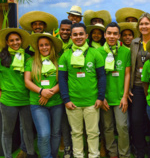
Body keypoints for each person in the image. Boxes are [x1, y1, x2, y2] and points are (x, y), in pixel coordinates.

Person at [58, 23, 106, 158]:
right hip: (73, 102)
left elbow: (101, 77)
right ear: (71, 36)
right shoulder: (65, 56)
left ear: (86, 36)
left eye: (81, 34)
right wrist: (66, 99)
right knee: (76, 133)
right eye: (75, 34)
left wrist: (100, 97)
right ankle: (78, 155)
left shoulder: (95, 53)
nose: (78, 37)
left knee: (93, 133)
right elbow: (62, 79)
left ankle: (93, 155)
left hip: (92, 101)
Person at [24, 33, 63, 158]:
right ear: (37, 47)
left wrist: (49, 93)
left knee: (56, 133)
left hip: (56, 102)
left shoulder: (59, 60)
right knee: (44, 134)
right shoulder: (30, 62)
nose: (44, 47)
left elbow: (63, 80)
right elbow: (27, 81)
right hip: (37, 103)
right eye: (41, 45)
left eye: (46, 44)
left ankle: (53, 155)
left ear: (51, 46)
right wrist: (42, 92)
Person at [0, 28, 36, 158]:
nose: (15, 42)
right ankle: (8, 156)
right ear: (7, 42)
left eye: (17, 40)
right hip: (8, 100)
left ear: (21, 41)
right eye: (12, 40)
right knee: (7, 131)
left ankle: (31, 154)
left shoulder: (27, 58)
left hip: (26, 99)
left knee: (28, 130)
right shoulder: (2, 57)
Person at [98, 22, 131, 158]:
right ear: (105, 35)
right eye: (109, 33)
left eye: (115, 33)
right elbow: (96, 76)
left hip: (119, 97)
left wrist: (125, 96)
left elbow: (127, 74)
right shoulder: (97, 52)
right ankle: (112, 153)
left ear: (119, 36)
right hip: (105, 97)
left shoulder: (125, 52)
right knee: (107, 127)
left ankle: (124, 154)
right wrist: (101, 97)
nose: (112, 36)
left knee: (122, 127)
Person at [129, 12, 150, 158]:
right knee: (136, 120)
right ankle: (140, 150)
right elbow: (130, 67)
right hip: (138, 87)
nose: (144, 26)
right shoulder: (134, 43)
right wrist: (128, 88)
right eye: (141, 24)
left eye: (146, 23)